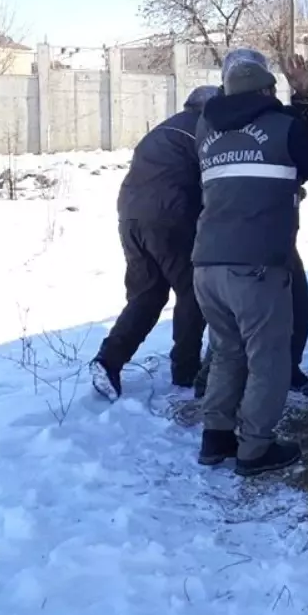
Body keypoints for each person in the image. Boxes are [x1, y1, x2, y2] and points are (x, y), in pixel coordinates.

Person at [192, 56, 308, 475]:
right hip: (256, 265)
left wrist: (301, 100)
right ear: (268, 92)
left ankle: (216, 438)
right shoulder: (284, 127)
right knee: (269, 359)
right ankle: (254, 449)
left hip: (206, 263)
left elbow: (272, 144)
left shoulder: (206, 130)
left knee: (228, 352)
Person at [192, 48, 308, 399]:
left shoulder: (211, 120)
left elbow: (287, 134)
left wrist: (301, 95)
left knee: (230, 333)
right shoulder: (252, 120)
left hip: (221, 241)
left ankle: (217, 419)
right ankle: (254, 438)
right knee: (262, 342)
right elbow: (294, 137)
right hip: (257, 241)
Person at [89, 84, 220, 400]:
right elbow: (214, 181)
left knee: (148, 294)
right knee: (192, 290)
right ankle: (186, 370)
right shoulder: (204, 131)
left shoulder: (164, 129)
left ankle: (109, 361)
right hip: (170, 219)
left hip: (130, 218)